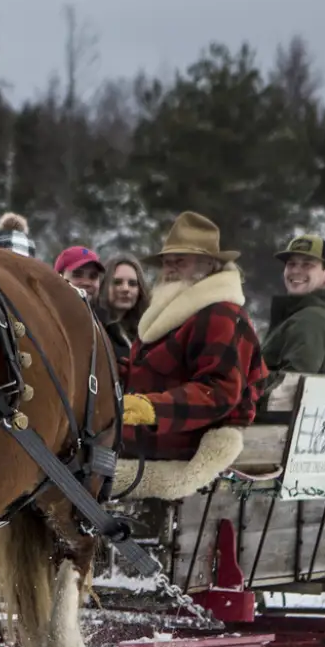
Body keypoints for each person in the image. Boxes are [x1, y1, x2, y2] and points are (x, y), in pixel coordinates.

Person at [117, 211, 268, 498]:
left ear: (209, 265)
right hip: (140, 440)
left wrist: (150, 408)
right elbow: (146, 371)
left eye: (180, 261)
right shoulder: (176, 311)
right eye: (167, 261)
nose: (170, 268)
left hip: (176, 448)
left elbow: (219, 392)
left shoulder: (221, 314)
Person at [260, 233, 325, 375]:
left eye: (307, 264)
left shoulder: (312, 321)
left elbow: (287, 387)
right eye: (291, 264)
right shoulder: (314, 314)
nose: (296, 271)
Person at [94, 255, 149, 362]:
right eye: (117, 282)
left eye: (132, 284)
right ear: (104, 285)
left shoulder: (144, 333)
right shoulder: (94, 328)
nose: (125, 289)